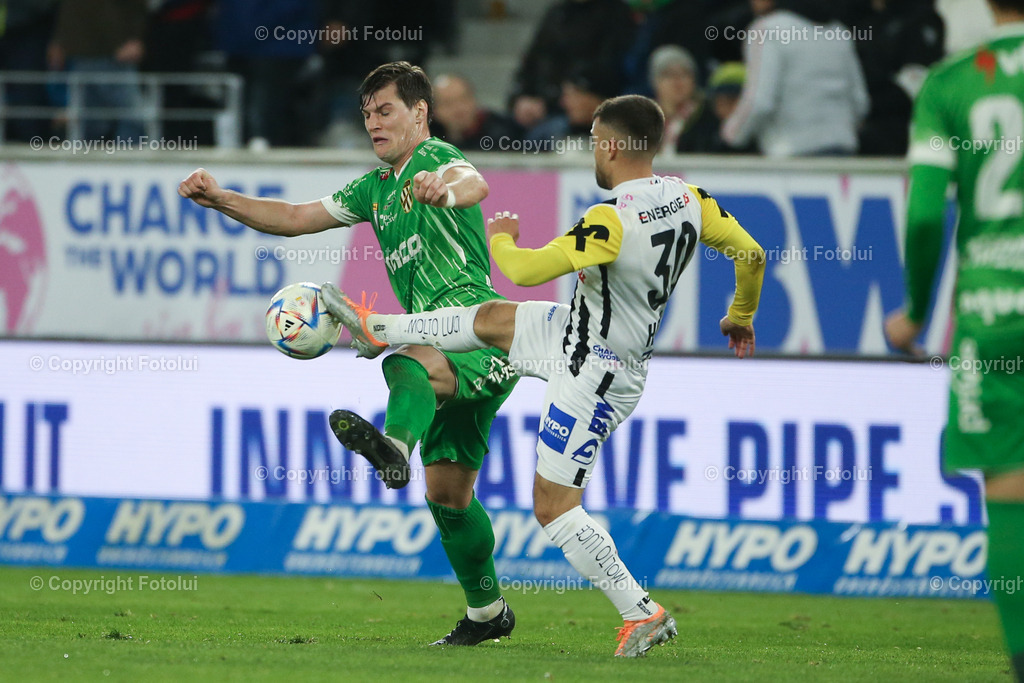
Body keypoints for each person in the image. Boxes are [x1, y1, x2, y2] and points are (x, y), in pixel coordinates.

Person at [322, 94, 767, 656]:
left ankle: (643, 611)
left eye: (594, 141)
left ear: (610, 145)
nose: (592, 152)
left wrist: (502, 236)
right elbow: (751, 254)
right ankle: (376, 325)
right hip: (576, 331)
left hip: (596, 371)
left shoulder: (611, 219)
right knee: (489, 318)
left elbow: (526, 271)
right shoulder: (690, 200)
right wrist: (740, 316)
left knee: (554, 507)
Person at [178, 61, 520, 647]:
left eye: (385, 110)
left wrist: (446, 189)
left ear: (419, 113)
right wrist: (219, 199)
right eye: (366, 114)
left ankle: (395, 447)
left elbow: (476, 183)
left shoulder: (435, 160)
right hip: (437, 344)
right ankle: (489, 615)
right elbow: (292, 219)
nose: (374, 123)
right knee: (449, 498)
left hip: (477, 334)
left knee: (403, 360)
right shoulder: (373, 190)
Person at [884, 1, 1024, 678]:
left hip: (995, 308)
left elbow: (923, 216)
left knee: (1008, 484)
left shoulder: (952, 83)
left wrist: (915, 309)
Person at [721, 0, 870, 156]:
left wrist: (730, 137)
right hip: (844, 152)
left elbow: (760, 102)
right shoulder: (839, 32)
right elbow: (860, 102)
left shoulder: (766, 29)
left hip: (793, 156)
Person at [646, 45, 719, 154]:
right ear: (655, 82)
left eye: (684, 74)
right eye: (668, 74)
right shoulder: (644, 119)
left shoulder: (709, 116)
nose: (677, 81)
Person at [430, 73, 522, 152]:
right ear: (434, 111)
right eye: (448, 103)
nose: (458, 108)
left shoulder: (502, 133)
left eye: (464, 99)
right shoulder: (427, 139)